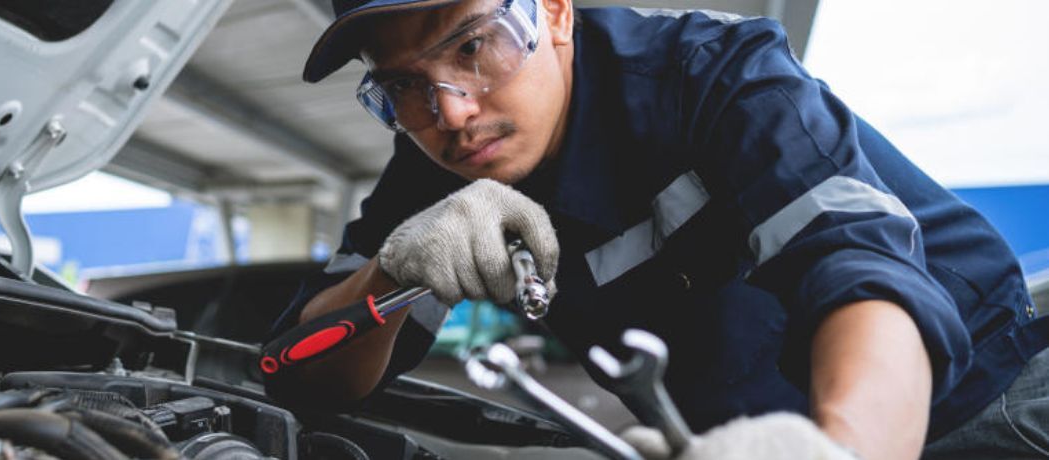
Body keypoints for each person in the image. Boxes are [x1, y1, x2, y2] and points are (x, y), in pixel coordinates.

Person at [265, 0, 1047, 458]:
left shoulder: (715, 76)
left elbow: (858, 264)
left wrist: (834, 449)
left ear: (557, 14)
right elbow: (296, 371)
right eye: (402, 85)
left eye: (474, 46)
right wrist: (392, 274)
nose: (452, 113)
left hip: (982, 402)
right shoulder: (435, 174)